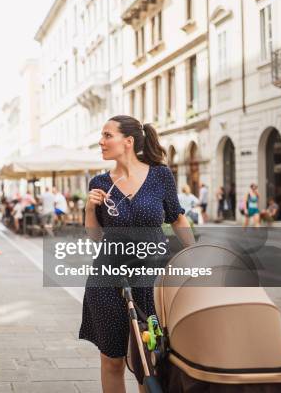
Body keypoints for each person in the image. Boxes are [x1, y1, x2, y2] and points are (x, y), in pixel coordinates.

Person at [81, 115, 193, 393]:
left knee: (150, 360)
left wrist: (195, 256)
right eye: (102, 135)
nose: (101, 141)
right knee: (112, 361)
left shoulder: (160, 175)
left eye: (108, 135)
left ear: (128, 142)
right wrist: (89, 210)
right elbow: (96, 238)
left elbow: (177, 219)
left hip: (151, 279)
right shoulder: (99, 182)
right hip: (108, 279)